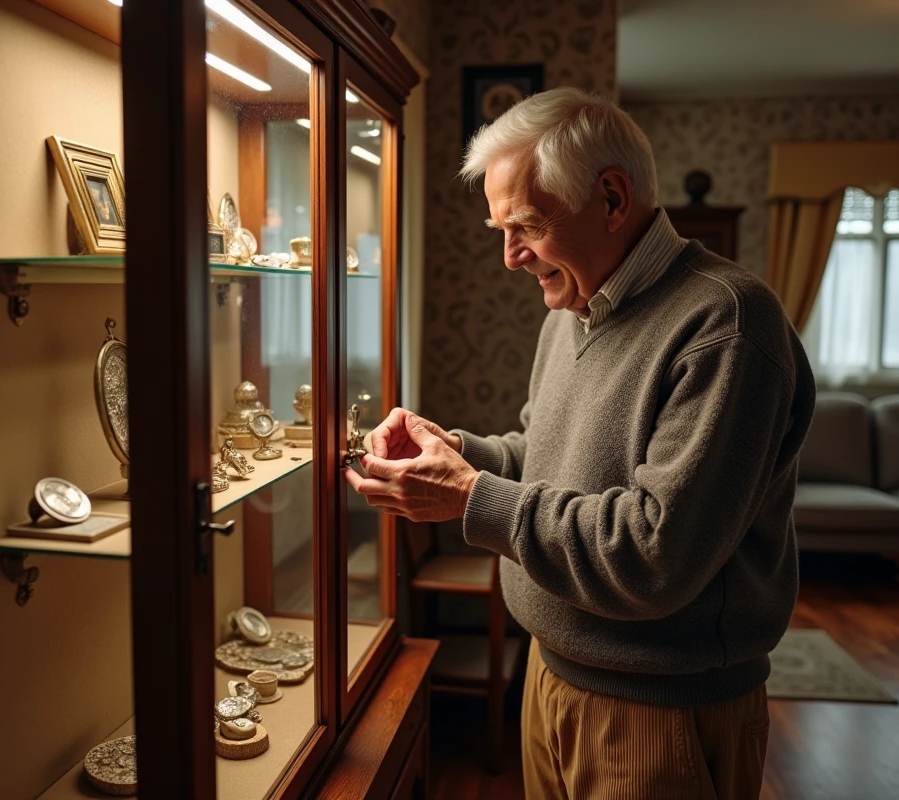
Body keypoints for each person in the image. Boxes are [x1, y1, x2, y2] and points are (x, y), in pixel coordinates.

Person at [342, 87, 815, 800]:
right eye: (500, 228)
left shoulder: (726, 323)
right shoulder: (571, 311)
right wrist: (457, 452)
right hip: (550, 672)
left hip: (662, 711)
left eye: (526, 225)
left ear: (613, 200)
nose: (509, 257)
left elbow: (655, 554)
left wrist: (469, 497)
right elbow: (544, 456)